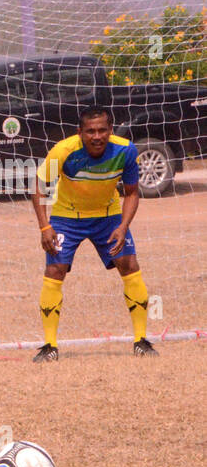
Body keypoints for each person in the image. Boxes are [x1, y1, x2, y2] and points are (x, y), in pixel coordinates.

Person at [32, 105, 155, 362]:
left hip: (107, 216)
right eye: (90, 131)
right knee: (55, 269)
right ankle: (49, 345)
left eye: (102, 130)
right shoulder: (64, 151)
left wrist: (123, 226)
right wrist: (45, 227)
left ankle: (141, 340)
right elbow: (40, 187)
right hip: (67, 217)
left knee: (129, 264)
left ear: (110, 130)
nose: (96, 136)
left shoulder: (125, 150)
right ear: (80, 132)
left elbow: (132, 193)